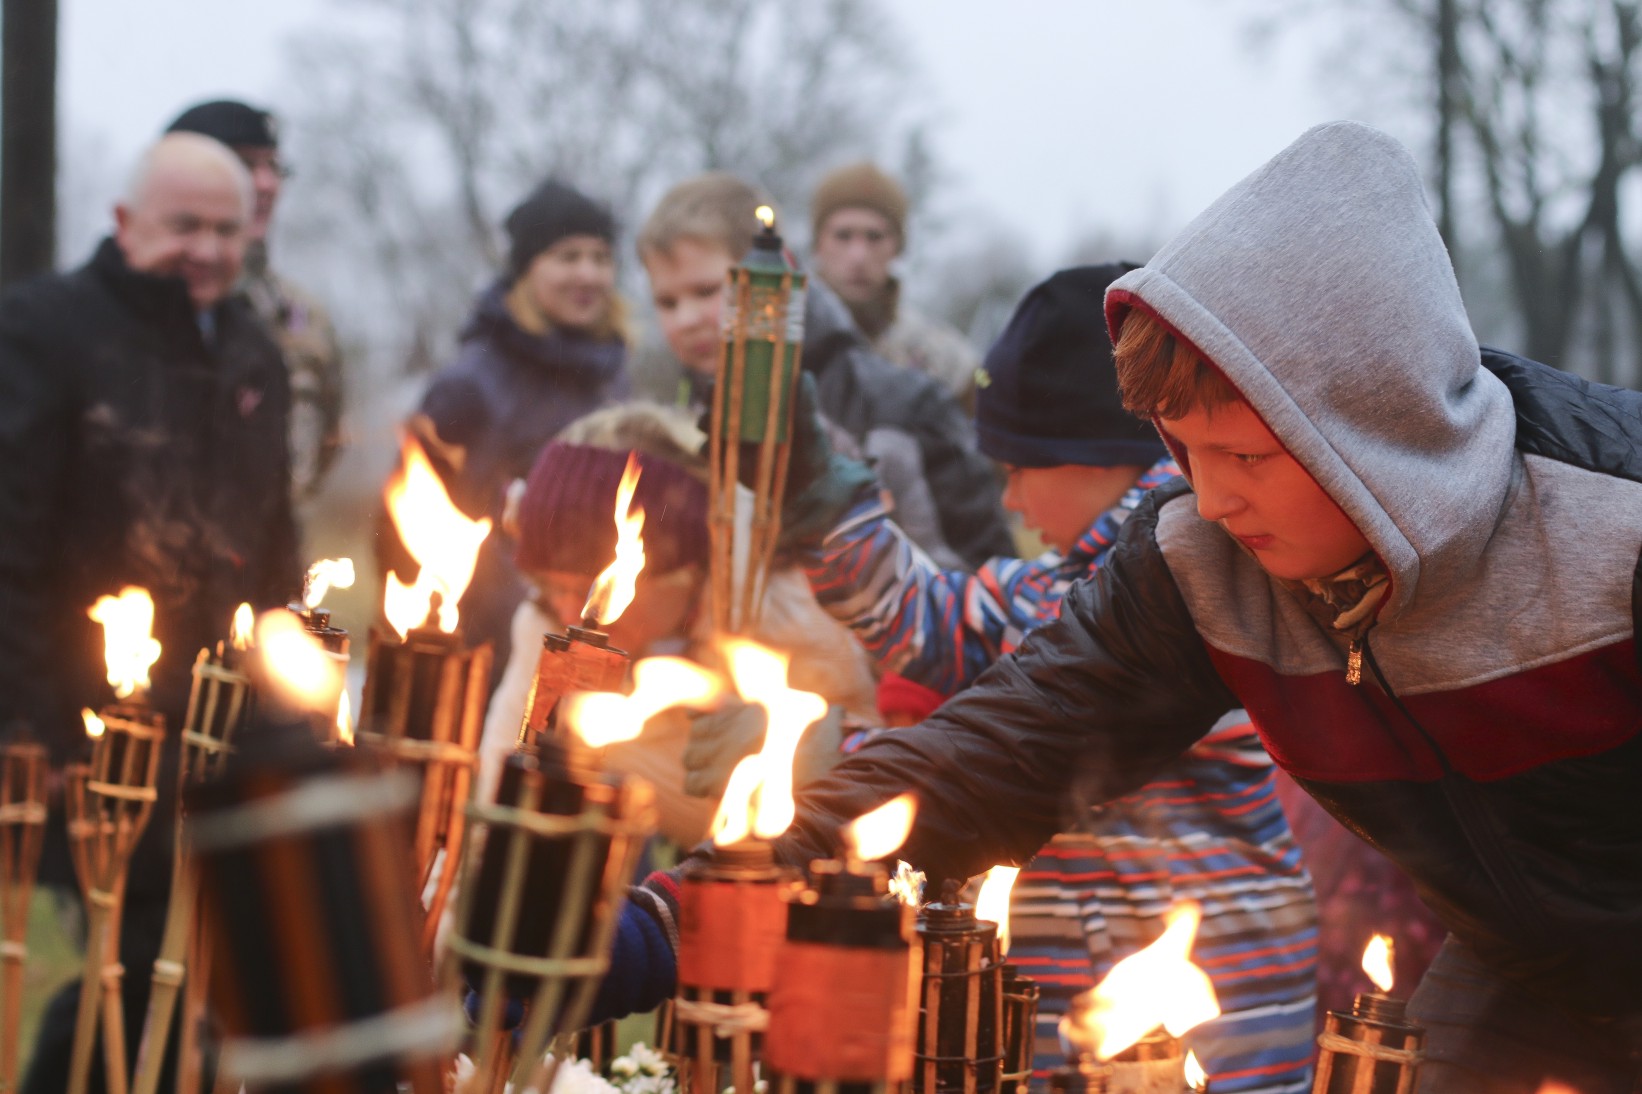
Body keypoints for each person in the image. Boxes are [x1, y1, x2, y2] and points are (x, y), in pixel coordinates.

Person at [598, 122, 1642, 1094]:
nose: (1211, 494)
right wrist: (672, 914)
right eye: (1183, 448)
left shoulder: (1611, 527)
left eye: (1245, 454)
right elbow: (979, 762)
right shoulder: (1202, 563)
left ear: (1374, 424)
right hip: (1524, 964)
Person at [683, 265, 1319, 1090]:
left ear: (1095, 454)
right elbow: (931, 617)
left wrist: (815, 752)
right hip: (1079, 1009)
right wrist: (814, 486)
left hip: (1204, 1016)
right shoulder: (1056, 580)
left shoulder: (1196, 577)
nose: (1010, 501)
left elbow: (1023, 736)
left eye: (1019, 467)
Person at [0, 132, 299, 1093]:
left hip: (224, 719)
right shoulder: (45, 329)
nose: (207, 250)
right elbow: (9, 540)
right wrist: (37, 725)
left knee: (200, 964)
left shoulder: (255, 348)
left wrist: (289, 697)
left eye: (225, 229)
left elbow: (277, 537)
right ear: (126, 223)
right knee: (129, 957)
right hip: (94, 720)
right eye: (183, 227)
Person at [477, 402, 879, 846]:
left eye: (594, 590)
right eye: (553, 586)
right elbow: (494, 796)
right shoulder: (548, 625)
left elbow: (892, 761)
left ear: (682, 572)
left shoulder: (787, 607)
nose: (573, 611)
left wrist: (805, 753)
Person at [637, 172, 1012, 570]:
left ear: (776, 277)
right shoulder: (672, 424)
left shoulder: (906, 410)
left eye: (706, 291)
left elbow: (985, 588)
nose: (686, 319)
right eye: (667, 302)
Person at [383, 179, 632, 674]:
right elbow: (400, 534)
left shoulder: (612, 383)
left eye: (600, 257)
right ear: (526, 268)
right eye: (568, 256)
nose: (588, 273)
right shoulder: (471, 385)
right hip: (482, 653)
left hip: (580, 651)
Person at [166, 98, 346, 501]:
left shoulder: (302, 318)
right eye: (246, 166)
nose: (266, 185)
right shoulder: (134, 309)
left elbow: (325, 449)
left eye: (274, 168)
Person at [809, 161, 981, 410]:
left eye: (875, 237)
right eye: (843, 235)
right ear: (818, 243)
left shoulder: (944, 357)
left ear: (898, 246)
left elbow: (988, 388)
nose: (858, 256)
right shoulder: (780, 340)